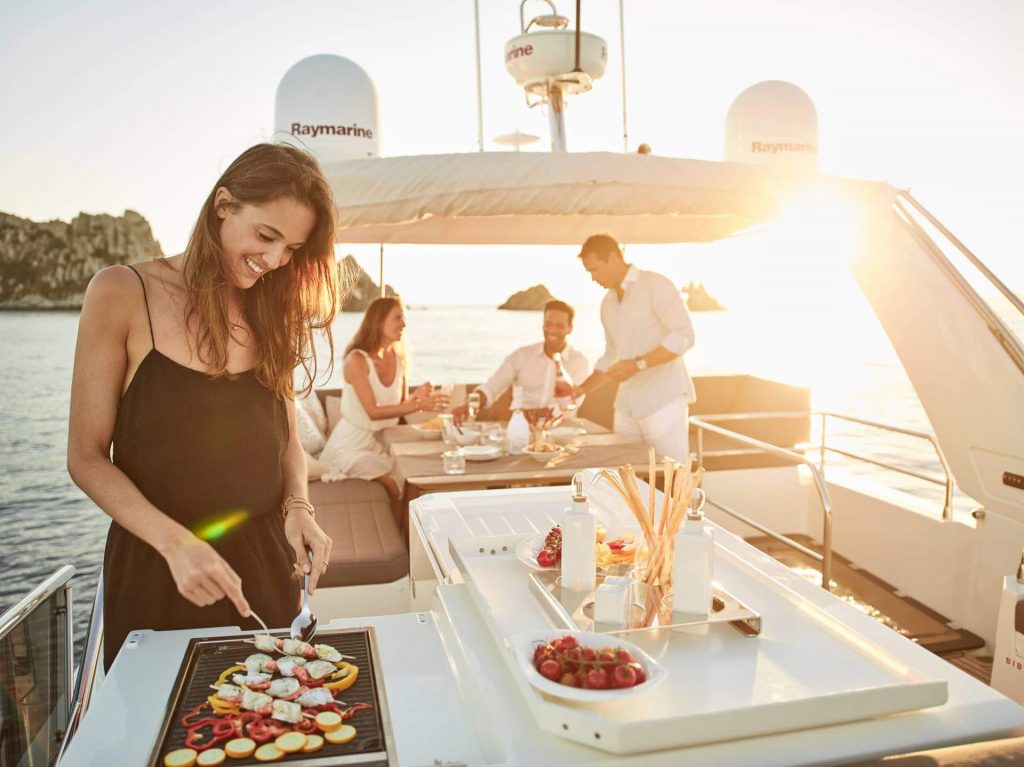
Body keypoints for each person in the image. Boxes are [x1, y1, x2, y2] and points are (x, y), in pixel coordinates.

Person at [68, 143, 341, 670]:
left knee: (274, 723)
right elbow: (85, 456)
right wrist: (176, 545)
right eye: (266, 236)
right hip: (160, 566)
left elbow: (283, 432)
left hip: (265, 565)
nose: (275, 260)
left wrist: (300, 508)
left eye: (291, 249)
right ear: (223, 204)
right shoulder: (122, 291)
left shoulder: (273, 306)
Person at [574, 234, 696, 460]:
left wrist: (639, 364)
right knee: (625, 477)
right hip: (626, 407)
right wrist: (580, 390)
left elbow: (684, 335)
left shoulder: (656, 285)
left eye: (596, 269)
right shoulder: (607, 304)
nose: (593, 278)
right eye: (589, 272)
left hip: (663, 402)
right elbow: (612, 355)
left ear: (613, 257)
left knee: (674, 476)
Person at [318, 296, 447, 499]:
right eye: (397, 318)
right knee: (396, 481)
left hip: (384, 441)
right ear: (379, 322)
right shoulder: (357, 360)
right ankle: (399, 531)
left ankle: (409, 531)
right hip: (351, 445)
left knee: (413, 479)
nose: (404, 324)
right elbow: (373, 412)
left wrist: (416, 398)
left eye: (403, 318)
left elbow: (400, 405)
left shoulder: (397, 357)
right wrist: (418, 406)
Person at [466, 299, 589, 418]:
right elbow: (492, 386)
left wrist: (528, 415)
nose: (552, 330)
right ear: (543, 325)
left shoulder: (580, 363)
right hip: (518, 428)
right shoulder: (522, 355)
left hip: (561, 431)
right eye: (548, 324)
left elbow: (568, 406)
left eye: (560, 326)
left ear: (570, 328)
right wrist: (471, 404)